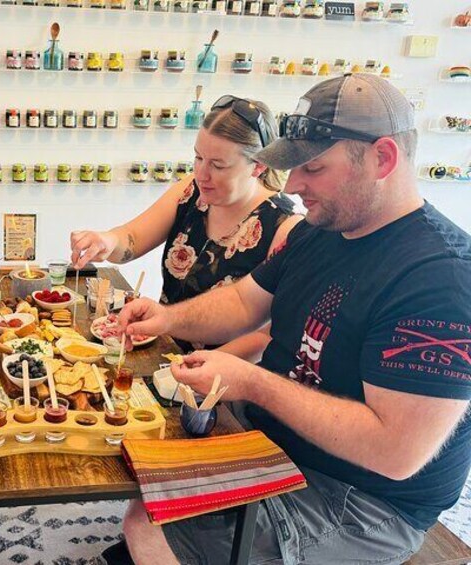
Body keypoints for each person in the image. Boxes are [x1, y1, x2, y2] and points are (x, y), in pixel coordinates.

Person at [116, 74, 471, 564]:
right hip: (278, 437)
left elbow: (396, 453)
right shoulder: (321, 229)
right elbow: (242, 304)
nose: (295, 185)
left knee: (152, 526)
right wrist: (162, 318)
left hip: (361, 499)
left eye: (314, 168)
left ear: (383, 158)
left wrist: (253, 384)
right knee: (138, 451)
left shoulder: (441, 279)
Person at [70, 95, 301, 361]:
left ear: (259, 165)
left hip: (219, 378)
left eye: (218, 165)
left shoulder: (283, 226)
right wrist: (106, 240)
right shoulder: (192, 190)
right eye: (198, 157)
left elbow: (271, 334)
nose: (202, 173)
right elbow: (132, 239)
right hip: (161, 352)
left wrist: (196, 366)